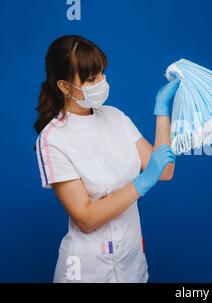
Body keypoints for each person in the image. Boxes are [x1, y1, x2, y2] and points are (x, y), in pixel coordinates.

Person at [33, 35, 179, 282]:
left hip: (133, 266)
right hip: (86, 271)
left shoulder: (115, 117)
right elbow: (87, 219)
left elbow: (164, 171)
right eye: (91, 79)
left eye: (101, 74)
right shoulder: (52, 140)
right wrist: (142, 182)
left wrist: (162, 110)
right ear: (64, 86)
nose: (101, 82)